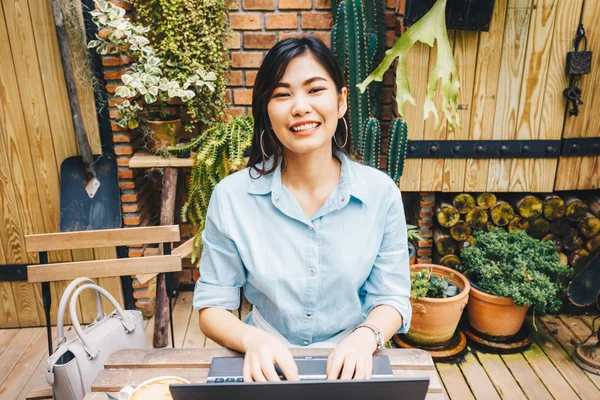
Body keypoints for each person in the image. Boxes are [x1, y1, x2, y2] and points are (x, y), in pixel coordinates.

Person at [193, 37, 411, 383]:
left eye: (315, 90)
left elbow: (391, 297)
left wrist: (365, 337)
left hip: (353, 363)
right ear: (267, 109)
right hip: (263, 364)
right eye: (282, 94)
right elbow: (213, 305)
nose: (300, 107)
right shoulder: (232, 197)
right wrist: (253, 339)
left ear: (340, 102)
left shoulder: (380, 193)